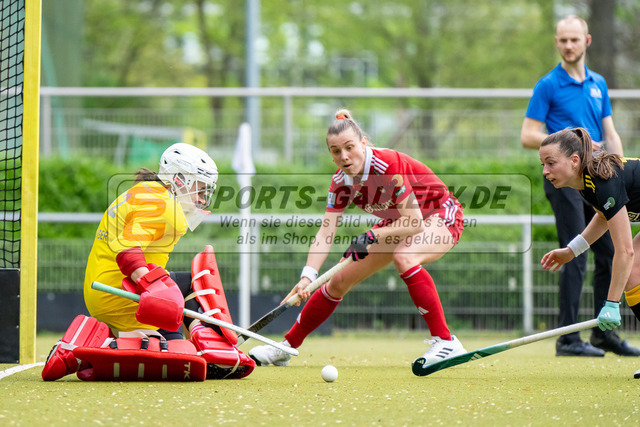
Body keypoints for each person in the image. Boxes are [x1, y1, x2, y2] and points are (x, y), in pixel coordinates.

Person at [249, 109, 467, 368]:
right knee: (338, 280)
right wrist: (307, 277)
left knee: (405, 256)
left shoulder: (386, 166)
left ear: (363, 143)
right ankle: (286, 347)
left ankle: (446, 341)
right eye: (336, 151)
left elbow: (415, 222)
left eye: (349, 147)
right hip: (397, 223)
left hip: (440, 213)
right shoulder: (340, 182)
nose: (344, 156)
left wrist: (372, 235)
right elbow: (326, 232)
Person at [42, 142, 255, 381]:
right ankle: (92, 347)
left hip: (108, 289)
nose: (202, 197)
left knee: (186, 292)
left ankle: (186, 345)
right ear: (179, 180)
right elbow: (127, 247)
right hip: (122, 295)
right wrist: (151, 287)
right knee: (182, 342)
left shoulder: (146, 191)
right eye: (200, 188)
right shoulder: (163, 205)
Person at [520, 15, 639, 357]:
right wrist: (567, 147)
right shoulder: (548, 85)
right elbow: (527, 135)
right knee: (600, 262)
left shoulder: (598, 83)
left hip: (595, 172)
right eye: (562, 40)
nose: (568, 45)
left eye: (574, 39)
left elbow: (610, 134)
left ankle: (603, 331)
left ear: (587, 41)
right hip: (573, 176)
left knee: (617, 257)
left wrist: (615, 171)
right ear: (556, 42)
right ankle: (569, 337)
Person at [539, 128, 640, 358]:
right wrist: (571, 251)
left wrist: (612, 303)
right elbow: (604, 217)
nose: (545, 171)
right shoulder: (587, 182)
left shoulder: (602, 181)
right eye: (543, 164)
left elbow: (625, 251)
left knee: (632, 268)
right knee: (633, 273)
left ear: (574, 160)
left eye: (551, 163)